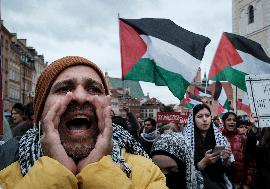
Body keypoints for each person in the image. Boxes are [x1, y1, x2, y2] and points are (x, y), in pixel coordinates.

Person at [0, 56, 166, 188]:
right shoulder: (4, 172)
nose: (80, 97)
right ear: (38, 114)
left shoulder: (147, 174)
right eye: (63, 88)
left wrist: (99, 173)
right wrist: (54, 174)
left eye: (94, 89)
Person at [183, 104, 234, 189]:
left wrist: (225, 160)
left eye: (207, 115)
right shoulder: (185, 141)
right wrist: (203, 162)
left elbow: (226, 171)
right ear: (193, 120)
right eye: (200, 116)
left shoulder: (220, 139)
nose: (204, 119)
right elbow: (182, 173)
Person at [221, 112, 254, 189]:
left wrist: (247, 183)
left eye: (234, 120)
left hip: (239, 184)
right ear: (223, 122)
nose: (232, 122)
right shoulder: (218, 137)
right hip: (223, 182)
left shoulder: (243, 138)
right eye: (229, 120)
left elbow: (251, 161)